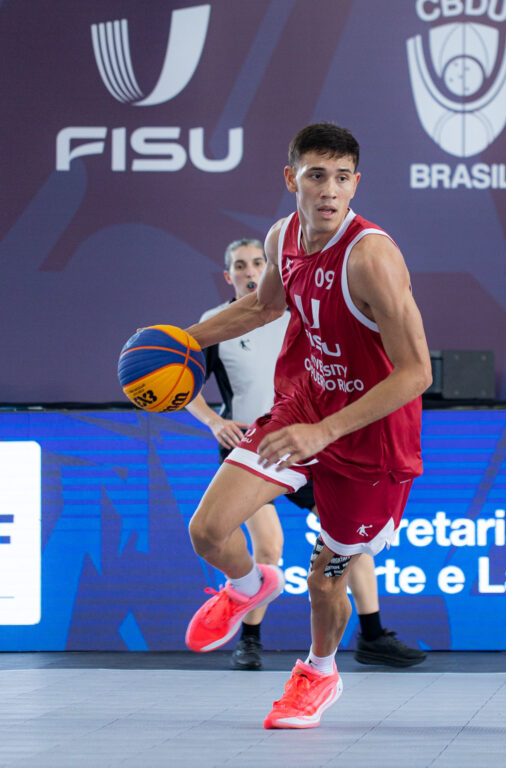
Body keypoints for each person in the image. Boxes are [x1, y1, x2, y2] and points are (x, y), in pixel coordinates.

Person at [177, 122, 432, 729]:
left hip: (371, 438)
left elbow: (417, 372)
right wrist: (182, 339)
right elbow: (265, 305)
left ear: (356, 183)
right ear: (292, 178)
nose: (329, 190)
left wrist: (326, 432)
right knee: (207, 531)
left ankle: (318, 673)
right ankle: (248, 586)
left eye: (342, 178)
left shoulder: (372, 257)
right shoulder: (282, 236)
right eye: (317, 176)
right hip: (302, 407)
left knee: (325, 579)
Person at [185, 238, 426, 672]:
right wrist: (214, 421)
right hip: (260, 439)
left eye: (257, 262)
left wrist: (327, 429)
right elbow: (184, 382)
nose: (250, 270)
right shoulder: (215, 323)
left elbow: (411, 370)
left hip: (317, 437)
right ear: (228, 274)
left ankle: (371, 635)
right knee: (262, 543)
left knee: (346, 551)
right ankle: (250, 637)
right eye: (240, 265)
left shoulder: (297, 310)